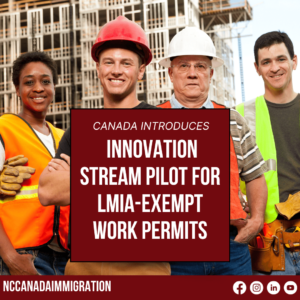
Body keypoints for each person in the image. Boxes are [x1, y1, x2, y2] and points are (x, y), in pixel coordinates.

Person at [38, 16, 170, 275]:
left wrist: (81, 174)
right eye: (108, 62)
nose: (116, 70)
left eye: (126, 63)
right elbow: (48, 191)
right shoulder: (79, 129)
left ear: (141, 70)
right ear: (98, 68)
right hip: (82, 266)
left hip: (145, 267)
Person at [157, 27, 268, 275]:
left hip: (231, 249)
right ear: (170, 73)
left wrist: (257, 220)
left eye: (200, 66)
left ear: (211, 73)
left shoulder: (233, 120)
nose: (193, 74)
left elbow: (255, 175)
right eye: (184, 66)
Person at [0, 52, 70, 275]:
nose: (38, 88)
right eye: (29, 82)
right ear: (17, 89)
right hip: (22, 254)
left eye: (46, 81)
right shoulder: (4, 129)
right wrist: (12, 259)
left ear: (54, 87)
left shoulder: (64, 138)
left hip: (64, 259)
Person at [236, 31, 300, 275]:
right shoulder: (241, 115)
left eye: (281, 59)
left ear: (294, 61)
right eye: (266, 62)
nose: (275, 68)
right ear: (257, 68)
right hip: (271, 243)